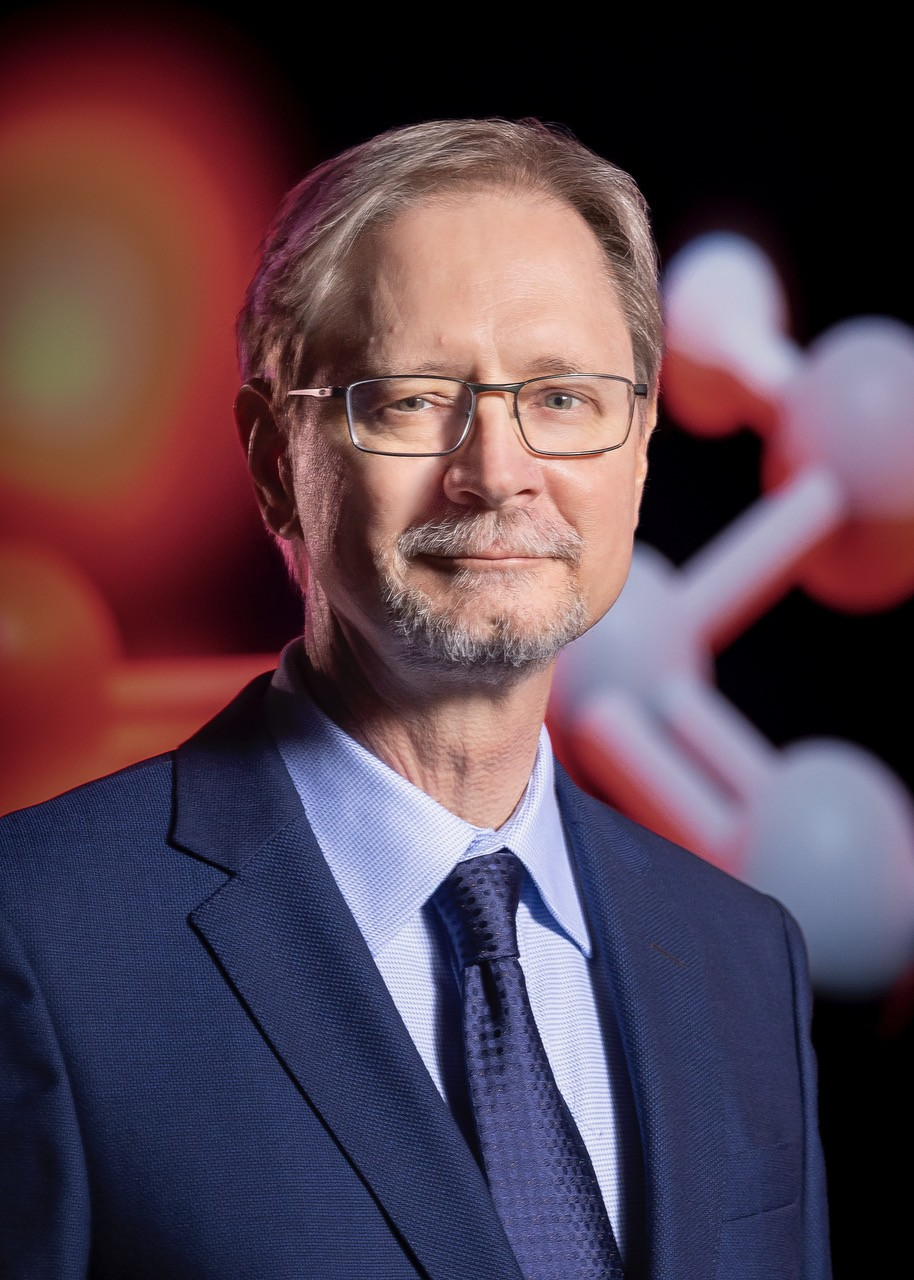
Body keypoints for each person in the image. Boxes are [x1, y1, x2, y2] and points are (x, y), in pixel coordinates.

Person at [0, 117, 831, 1279]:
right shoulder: (37, 940)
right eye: (408, 398)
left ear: (636, 449)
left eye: (562, 398)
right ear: (270, 459)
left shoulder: (743, 959)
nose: (495, 471)